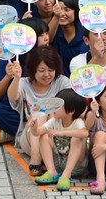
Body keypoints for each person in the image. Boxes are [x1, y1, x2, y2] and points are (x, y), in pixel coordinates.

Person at [7, 46, 71, 176]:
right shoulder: (24, 83)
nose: (47, 75)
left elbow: (73, 106)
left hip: (56, 138)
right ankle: (36, 156)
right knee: (39, 113)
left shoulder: (62, 82)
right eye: (42, 70)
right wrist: (16, 78)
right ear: (33, 69)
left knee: (48, 116)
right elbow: (13, 97)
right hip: (29, 138)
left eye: (51, 70)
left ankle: (46, 161)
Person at [31, 89, 88, 191]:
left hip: (76, 167)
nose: (54, 108)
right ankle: (52, 171)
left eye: (58, 105)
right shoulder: (55, 121)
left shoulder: (77, 122)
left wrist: (62, 133)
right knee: (43, 136)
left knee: (76, 138)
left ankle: (66, 175)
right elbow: (37, 133)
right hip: (60, 163)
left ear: (70, 111)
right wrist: (34, 127)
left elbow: (85, 133)